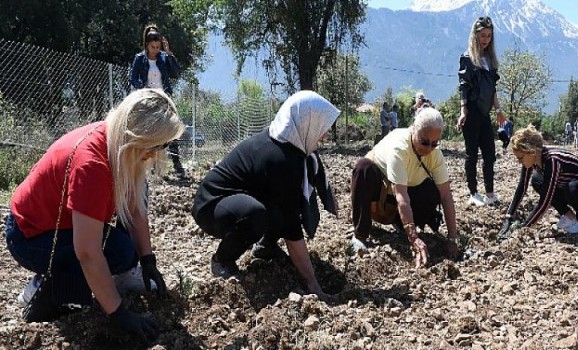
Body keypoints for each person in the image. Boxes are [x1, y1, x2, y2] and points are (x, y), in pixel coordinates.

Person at [5, 89, 184, 342]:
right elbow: (87, 251)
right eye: (155, 145)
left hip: (57, 227)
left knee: (125, 252)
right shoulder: (93, 165)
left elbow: (134, 209)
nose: (157, 153)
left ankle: (88, 279)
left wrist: (147, 260)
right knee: (115, 252)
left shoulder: (117, 142)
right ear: (138, 137)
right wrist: (118, 313)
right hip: (30, 237)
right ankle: (45, 286)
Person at [192, 91, 339, 301]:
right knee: (256, 214)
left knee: (281, 206)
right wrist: (312, 283)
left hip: (237, 200)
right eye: (321, 128)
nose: (324, 136)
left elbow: (308, 176)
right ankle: (222, 260)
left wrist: (328, 192)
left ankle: (265, 247)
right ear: (307, 123)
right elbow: (291, 229)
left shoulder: (291, 144)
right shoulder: (280, 158)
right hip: (212, 206)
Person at [349, 107, 460, 268]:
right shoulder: (399, 148)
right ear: (414, 130)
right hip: (381, 198)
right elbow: (401, 196)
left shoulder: (435, 155)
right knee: (363, 168)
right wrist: (413, 238)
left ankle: (401, 226)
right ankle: (360, 235)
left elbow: (446, 196)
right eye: (424, 142)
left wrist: (452, 238)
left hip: (405, 195)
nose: (428, 148)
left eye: (434, 143)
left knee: (433, 190)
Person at [498, 124, 578, 239]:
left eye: (521, 158)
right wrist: (509, 218)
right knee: (537, 180)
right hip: (577, 191)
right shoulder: (534, 161)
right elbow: (522, 188)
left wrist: (524, 228)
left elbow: (545, 200)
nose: (519, 162)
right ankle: (569, 218)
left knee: (572, 187)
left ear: (531, 151)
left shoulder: (552, 160)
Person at [457, 16, 505, 207]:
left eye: (489, 36)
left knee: (489, 154)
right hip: (472, 112)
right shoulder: (468, 58)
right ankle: (473, 192)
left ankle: (490, 193)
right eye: (482, 35)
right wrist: (463, 111)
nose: (485, 39)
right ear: (475, 35)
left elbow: (492, 89)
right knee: (471, 155)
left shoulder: (490, 60)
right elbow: (463, 87)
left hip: (484, 114)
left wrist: (498, 109)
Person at [129, 24, 185, 178]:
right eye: (153, 46)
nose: (155, 49)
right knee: (151, 134)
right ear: (147, 45)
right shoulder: (139, 59)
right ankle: (152, 168)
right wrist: (145, 90)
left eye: (158, 46)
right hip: (148, 99)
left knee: (172, 130)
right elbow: (133, 78)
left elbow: (176, 73)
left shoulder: (163, 57)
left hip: (164, 98)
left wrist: (169, 53)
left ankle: (177, 165)